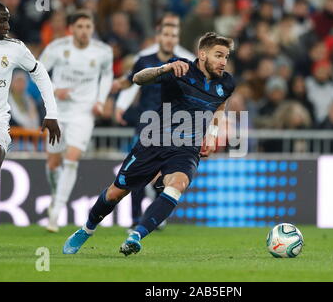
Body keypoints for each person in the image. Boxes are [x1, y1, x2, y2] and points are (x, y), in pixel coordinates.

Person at [63, 32, 235, 256]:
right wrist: (163, 69)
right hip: (154, 140)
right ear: (202, 54)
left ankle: (136, 235)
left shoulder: (227, 82)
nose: (223, 62)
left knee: (178, 184)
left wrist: (211, 134)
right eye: (218, 55)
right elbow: (137, 79)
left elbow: (220, 105)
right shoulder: (179, 68)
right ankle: (87, 229)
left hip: (186, 149)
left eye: (226, 57)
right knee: (117, 192)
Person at [0, 0, 60, 212]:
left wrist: (52, 112)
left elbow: (40, 72)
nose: (8, 27)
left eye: (8, 21)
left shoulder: (15, 48)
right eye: (2, 22)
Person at [113, 12, 195, 231]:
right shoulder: (144, 61)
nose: (169, 39)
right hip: (147, 122)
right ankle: (134, 218)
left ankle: (155, 213)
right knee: (137, 173)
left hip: (173, 123)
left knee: (167, 171)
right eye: (166, 34)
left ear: (177, 39)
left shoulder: (183, 64)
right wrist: (119, 103)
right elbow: (132, 82)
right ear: (158, 37)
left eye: (173, 35)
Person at [40, 10, 113, 233]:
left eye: (88, 27)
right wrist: (54, 90)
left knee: (71, 158)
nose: (84, 31)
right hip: (58, 112)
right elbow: (39, 72)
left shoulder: (103, 51)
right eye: (80, 27)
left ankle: (56, 212)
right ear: (71, 29)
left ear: (93, 29)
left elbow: (107, 75)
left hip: (84, 112)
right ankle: (55, 196)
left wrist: (100, 101)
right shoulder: (57, 48)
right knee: (53, 162)